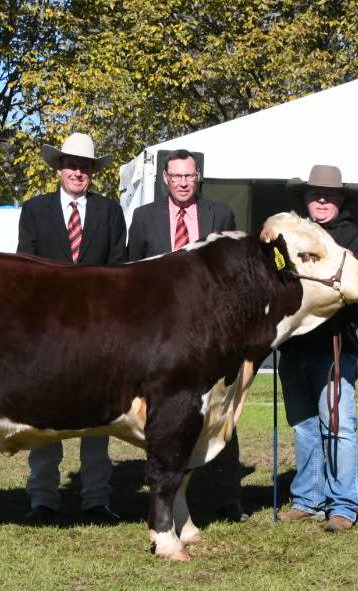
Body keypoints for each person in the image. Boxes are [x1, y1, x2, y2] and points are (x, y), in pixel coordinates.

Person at [125, 149, 246, 522]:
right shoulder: (144, 219)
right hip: (160, 338)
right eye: (175, 176)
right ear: (164, 179)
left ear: (198, 178)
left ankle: (227, 498)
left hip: (210, 337)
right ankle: (164, 494)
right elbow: (131, 277)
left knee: (219, 412)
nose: (182, 182)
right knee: (166, 415)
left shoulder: (220, 215)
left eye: (189, 176)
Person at [17, 132, 126, 523]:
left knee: (98, 419)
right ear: (59, 168)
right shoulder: (34, 210)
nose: (78, 172)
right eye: (71, 164)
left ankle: (96, 500)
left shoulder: (110, 212)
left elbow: (118, 271)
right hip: (48, 332)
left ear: (92, 172)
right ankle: (43, 499)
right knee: (46, 417)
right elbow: (25, 270)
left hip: (98, 333)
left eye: (85, 166)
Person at [277, 165, 358, 533]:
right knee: (303, 426)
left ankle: (344, 504)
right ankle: (307, 499)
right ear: (305, 197)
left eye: (329, 194)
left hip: (334, 344)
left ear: (341, 199)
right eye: (315, 193)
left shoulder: (352, 239)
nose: (321, 200)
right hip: (295, 345)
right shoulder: (291, 237)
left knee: (339, 425)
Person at [126, 150, 236, 260]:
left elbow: (230, 265)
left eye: (189, 176)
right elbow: (132, 268)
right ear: (165, 177)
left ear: (197, 176)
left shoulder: (222, 216)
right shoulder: (143, 217)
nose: (183, 184)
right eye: (177, 176)